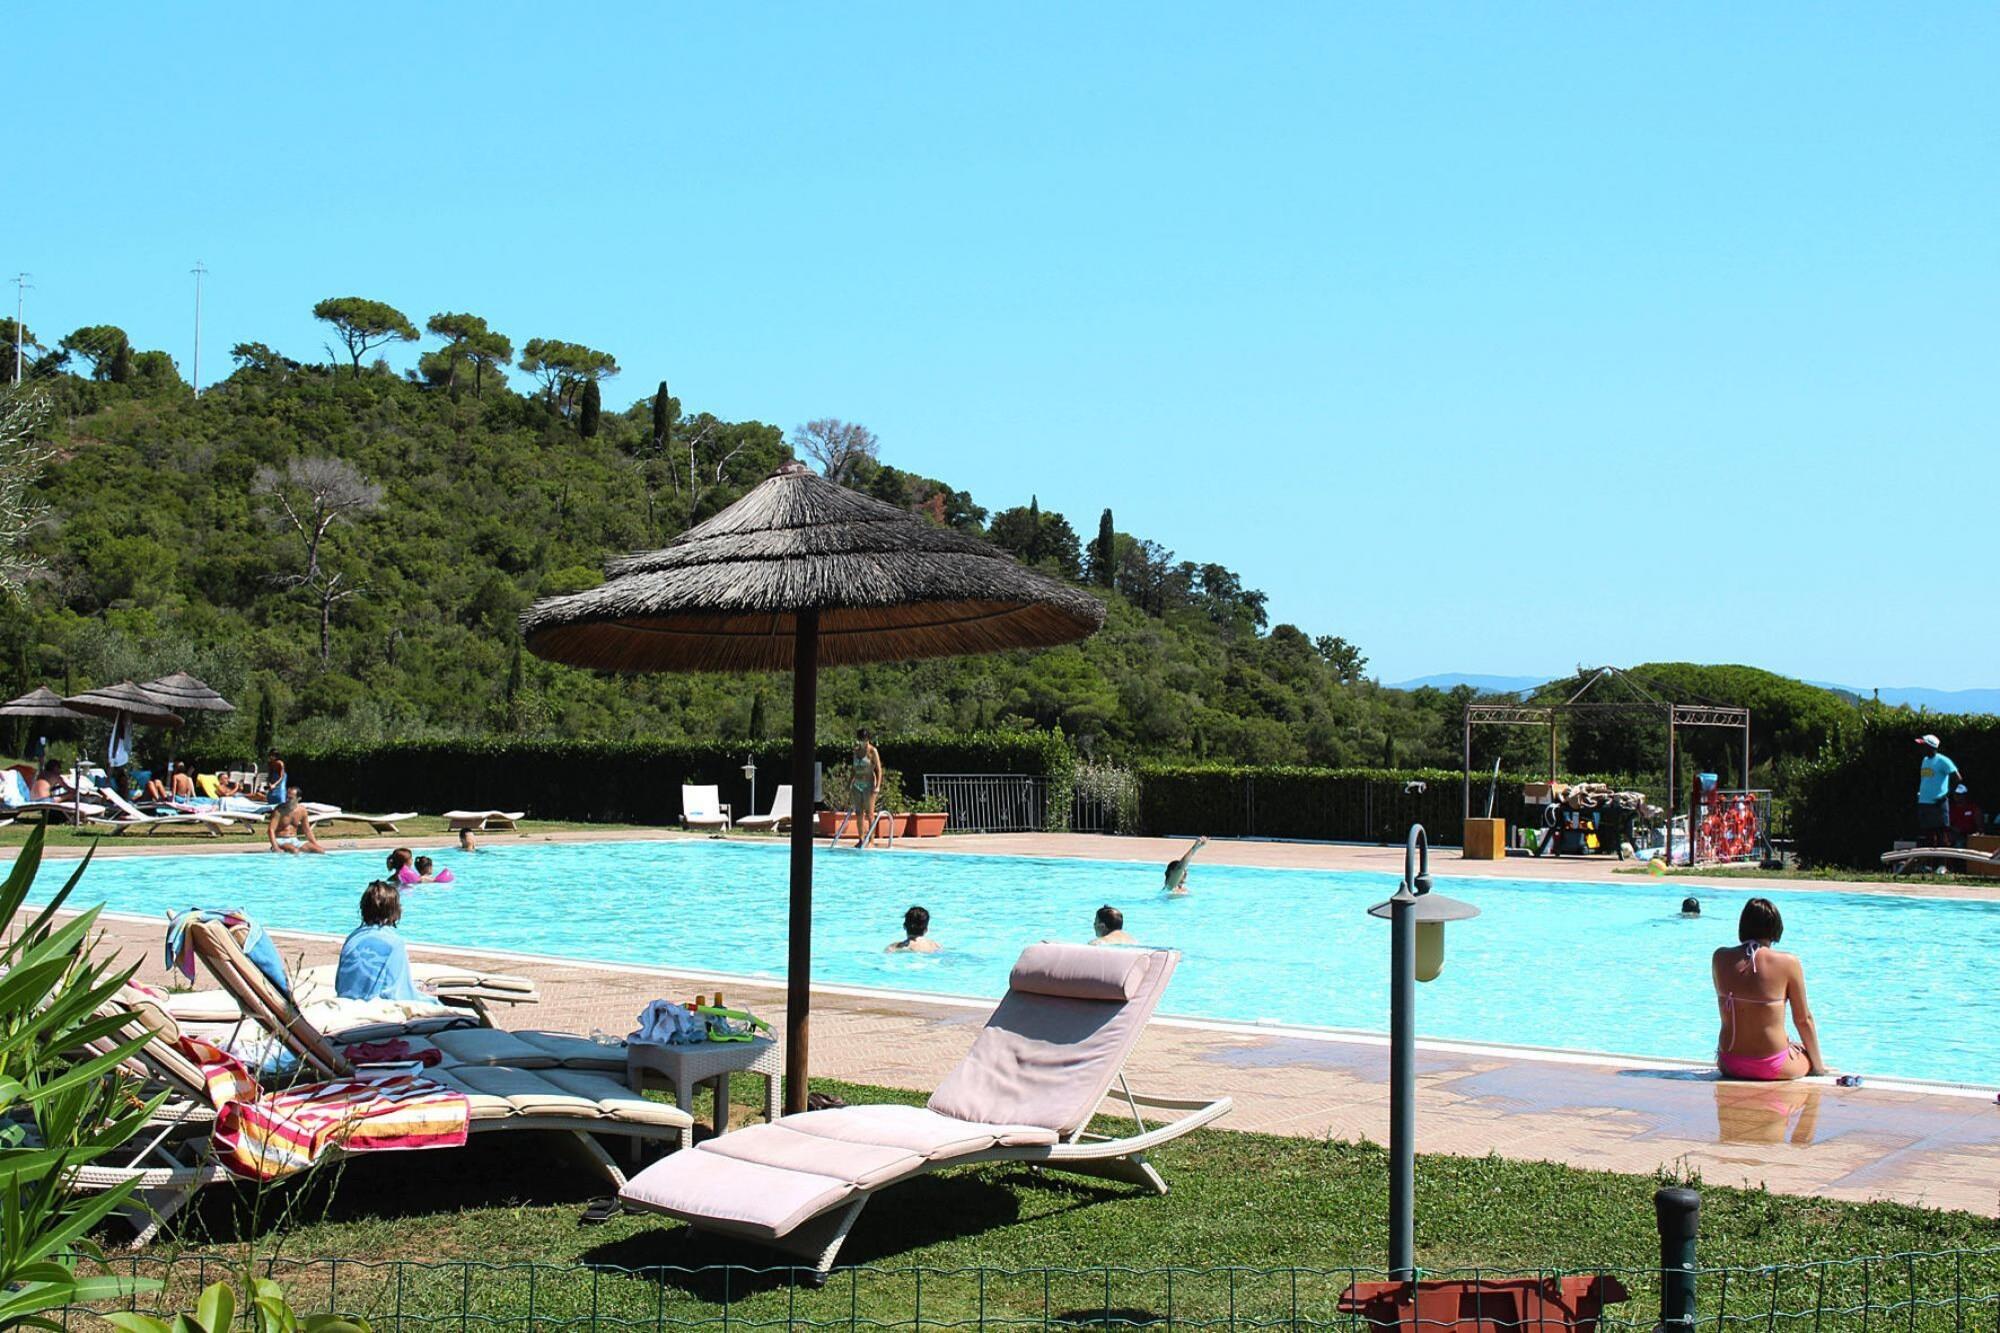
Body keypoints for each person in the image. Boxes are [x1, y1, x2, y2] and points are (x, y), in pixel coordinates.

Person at [1712, 897, 1828, 1082]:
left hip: (1729, 1063)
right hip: (1771, 1066)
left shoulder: (1720, 957)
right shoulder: (1788, 963)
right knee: (1805, 1053)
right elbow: (1803, 1019)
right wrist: (1818, 1067)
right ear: (1775, 927)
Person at [335, 881, 422, 1002]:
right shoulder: (394, 944)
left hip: (345, 1001)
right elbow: (399, 994)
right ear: (394, 910)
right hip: (375, 1006)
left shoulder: (352, 938)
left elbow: (340, 984)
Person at [1916, 734, 1960, 848]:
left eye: (1923, 745)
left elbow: (1957, 778)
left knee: (1941, 835)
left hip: (1937, 803)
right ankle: (1929, 859)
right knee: (1928, 835)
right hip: (1924, 802)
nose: (1921, 748)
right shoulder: (1925, 760)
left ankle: (1941, 859)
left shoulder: (1943, 760)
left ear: (1930, 747)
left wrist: (1946, 794)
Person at [849, 728, 884, 848]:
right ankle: (861, 839)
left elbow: (879, 770)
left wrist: (878, 786)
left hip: (869, 785)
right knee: (859, 813)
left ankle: (871, 840)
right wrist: (849, 783)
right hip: (857, 785)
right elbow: (853, 769)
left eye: (864, 739)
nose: (863, 741)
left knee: (870, 814)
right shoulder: (856, 751)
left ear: (868, 739)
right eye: (860, 739)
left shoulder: (872, 751)